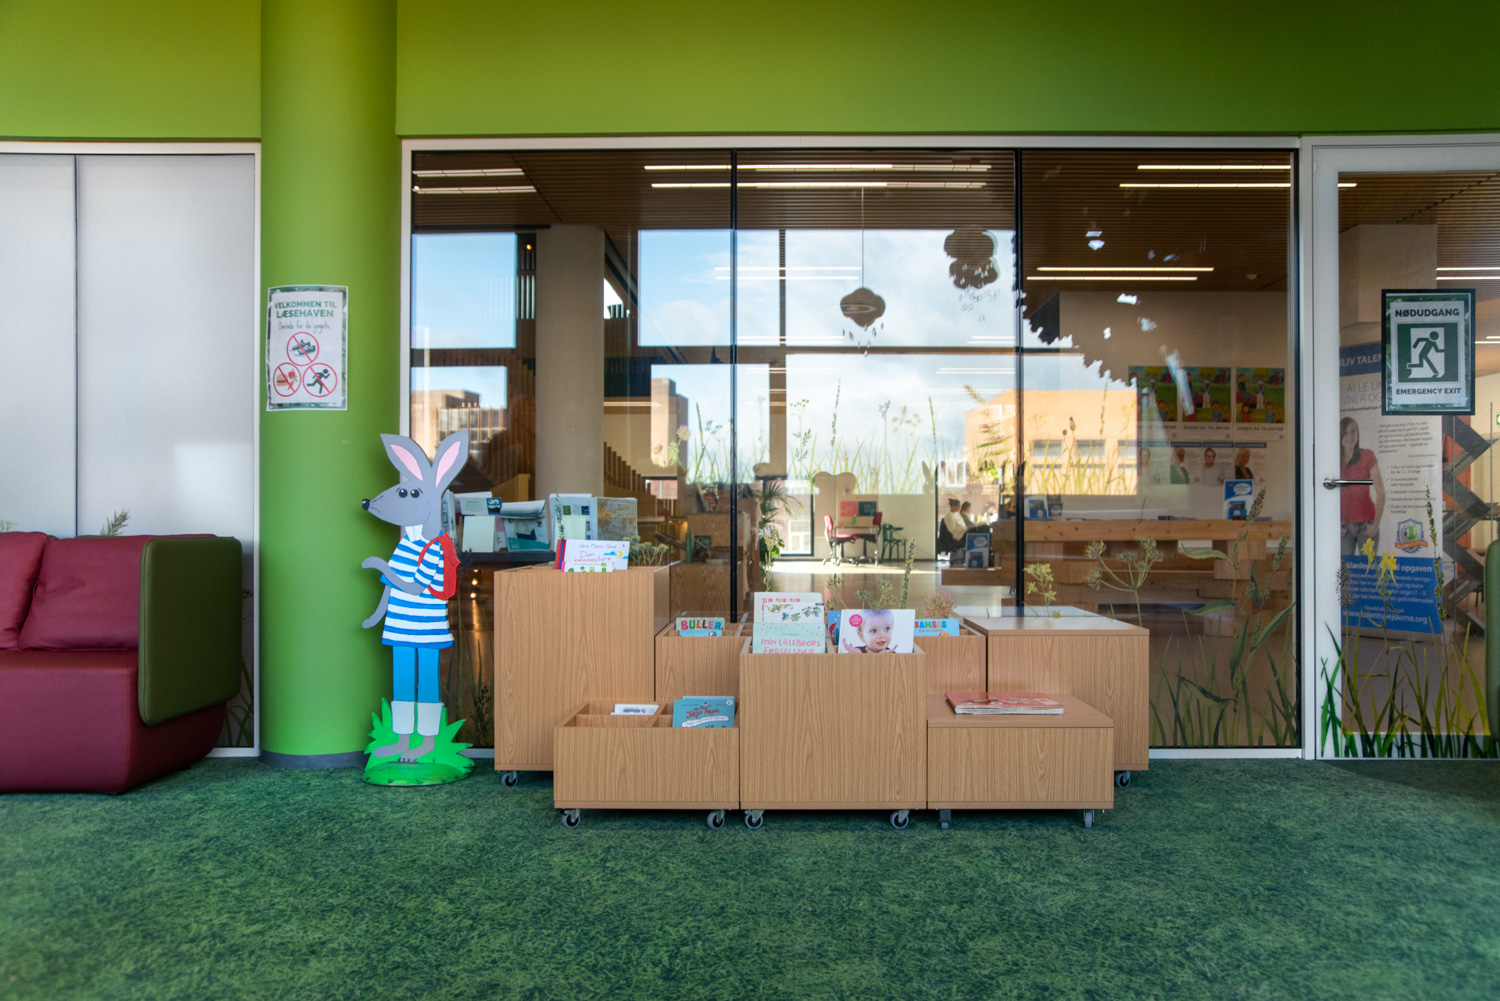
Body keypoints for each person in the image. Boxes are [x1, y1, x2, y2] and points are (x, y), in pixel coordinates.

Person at [1340, 416, 1384, 556]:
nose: (1350, 436)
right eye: (1345, 432)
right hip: (1343, 527)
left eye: (1353, 431)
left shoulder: (1367, 456)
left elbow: (1381, 493)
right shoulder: (1333, 460)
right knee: (1344, 568)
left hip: (1366, 524)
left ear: (1358, 433)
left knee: (1368, 568)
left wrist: (1375, 525)